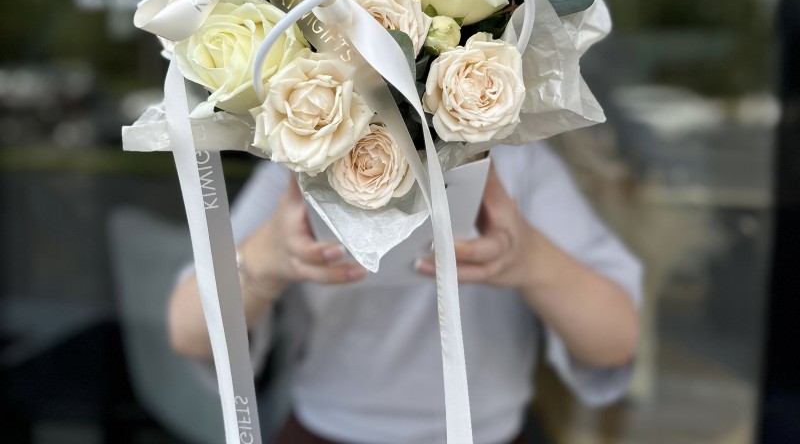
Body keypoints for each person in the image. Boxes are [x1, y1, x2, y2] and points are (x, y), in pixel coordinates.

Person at [168, 140, 641, 444]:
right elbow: (189, 330)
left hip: (489, 433)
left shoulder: (519, 162)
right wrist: (265, 259)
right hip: (330, 429)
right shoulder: (299, 164)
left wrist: (529, 259)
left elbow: (616, 338)